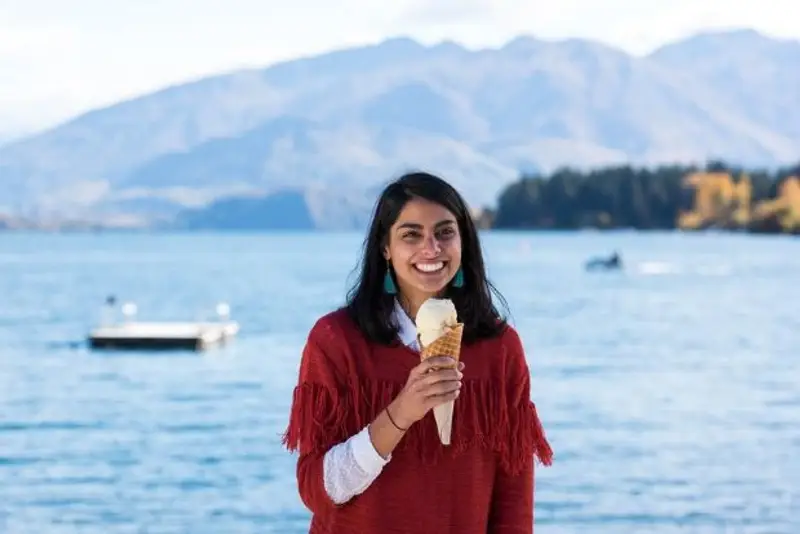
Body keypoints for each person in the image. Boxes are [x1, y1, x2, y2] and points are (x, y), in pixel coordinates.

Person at [282, 171, 553, 533]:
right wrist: (400, 413)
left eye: (445, 232)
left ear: (464, 243)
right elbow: (317, 490)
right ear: (385, 248)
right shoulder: (336, 340)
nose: (431, 249)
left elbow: (513, 504)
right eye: (411, 235)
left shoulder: (500, 349)